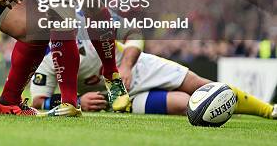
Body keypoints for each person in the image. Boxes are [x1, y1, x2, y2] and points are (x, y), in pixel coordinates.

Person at [30, 28, 277, 119]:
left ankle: (268, 110)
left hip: (140, 68)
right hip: (119, 100)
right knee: (187, 105)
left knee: (202, 86)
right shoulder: (44, 59)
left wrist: (124, 66)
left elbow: (134, 35)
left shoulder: (91, 25)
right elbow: (39, 102)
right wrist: (77, 102)